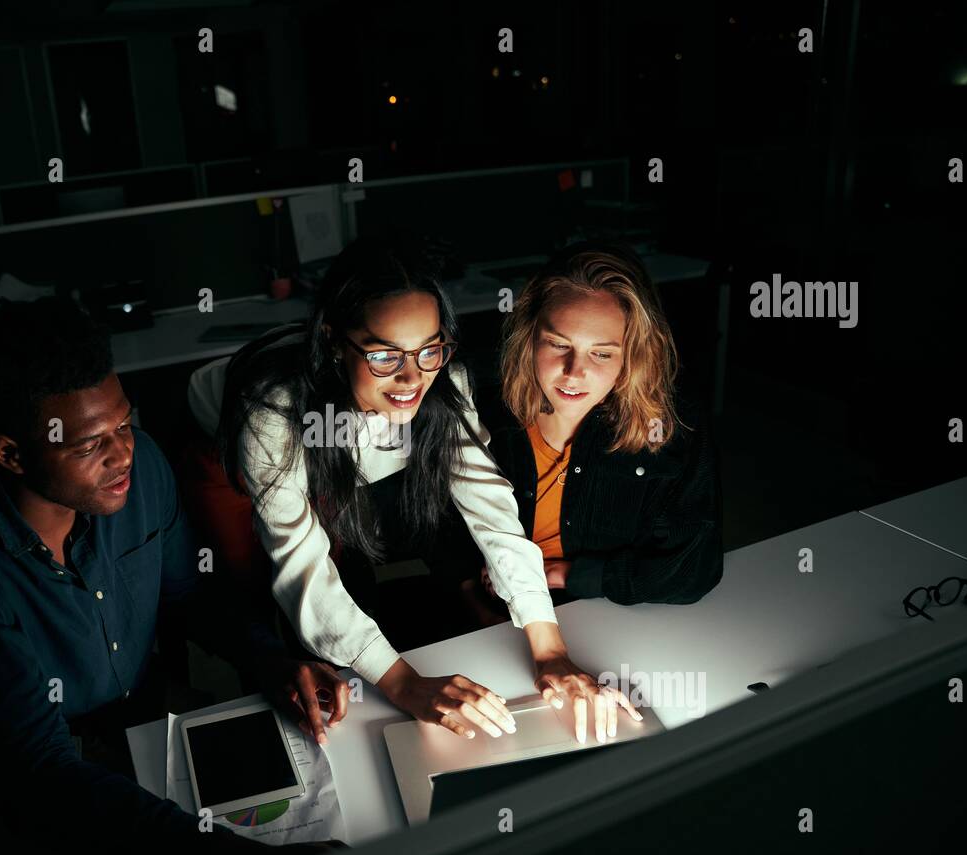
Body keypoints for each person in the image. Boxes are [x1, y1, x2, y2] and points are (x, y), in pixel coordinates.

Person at [0, 298, 319, 855]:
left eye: (124, 423)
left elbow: (189, 596)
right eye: (88, 445)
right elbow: (41, 775)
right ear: (11, 454)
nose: (122, 453)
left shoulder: (142, 468)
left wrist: (269, 658)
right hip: (49, 783)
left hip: (144, 725)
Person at [186, 237, 642, 744]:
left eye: (429, 348)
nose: (411, 377)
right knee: (261, 588)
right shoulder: (272, 412)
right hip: (229, 446)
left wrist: (548, 648)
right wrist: (403, 685)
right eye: (384, 353)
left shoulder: (446, 383)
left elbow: (492, 511)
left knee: (348, 568)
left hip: (347, 431)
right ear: (336, 341)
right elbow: (302, 569)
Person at [474, 243, 723, 612]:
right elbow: (442, 535)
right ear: (530, 336)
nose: (575, 372)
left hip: (610, 616)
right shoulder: (485, 409)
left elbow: (693, 571)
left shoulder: (672, 425)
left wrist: (570, 575)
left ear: (633, 353)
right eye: (559, 344)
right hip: (492, 617)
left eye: (602, 353)